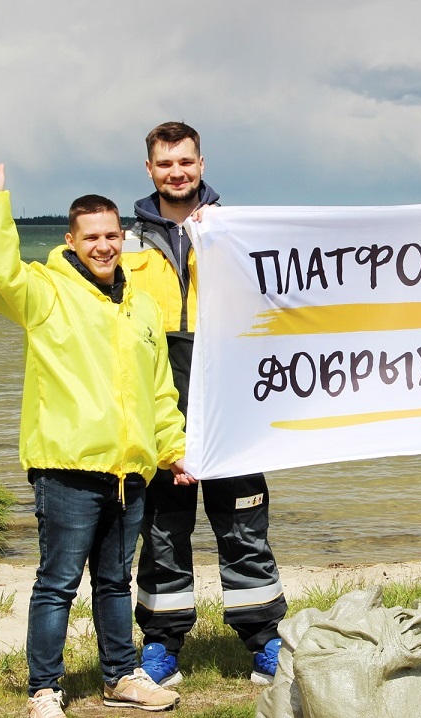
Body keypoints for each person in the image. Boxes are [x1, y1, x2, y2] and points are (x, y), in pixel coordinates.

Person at [0, 145, 191, 717]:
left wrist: (173, 449)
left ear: (123, 238)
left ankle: (121, 677)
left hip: (128, 470)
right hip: (67, 467)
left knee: (115, 582)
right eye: (91, 237)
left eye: (112, 235)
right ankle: (44, 690)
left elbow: (159, 390)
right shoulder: (45, 292)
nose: (104, 245)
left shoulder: (141, 307)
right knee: (58, 583)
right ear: (72, 240)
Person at [122, 122, 287, 687]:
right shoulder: (125, 243)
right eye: (165, 163)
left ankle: (264, 639)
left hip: (232, 401)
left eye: (186, 161)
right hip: (160, 404)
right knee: (162, 532)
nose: (177, 172)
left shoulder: (236, 232)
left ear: (202, 164)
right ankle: (161, 643)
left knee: (244, 524)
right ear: (149, 169)